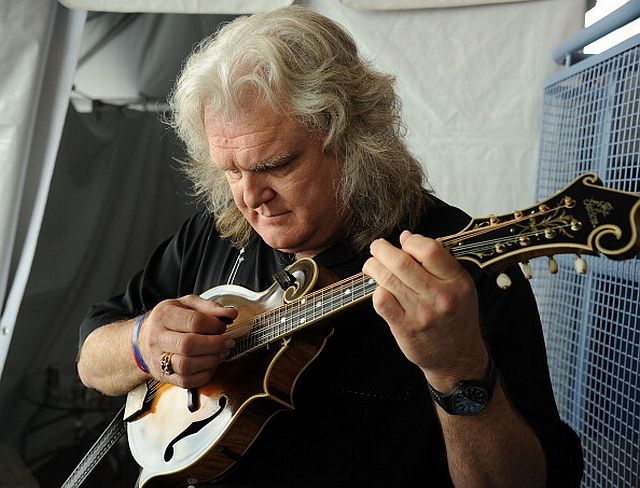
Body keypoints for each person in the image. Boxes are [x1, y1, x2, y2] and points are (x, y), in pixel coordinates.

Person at [76, 5, 583, 487]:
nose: (250, 197)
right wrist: (142, 343)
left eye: (275, 165)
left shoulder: (456, 265)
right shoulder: (218, 230)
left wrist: (457, 369)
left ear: (351, 141)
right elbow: (90, 358)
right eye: (230, 170)